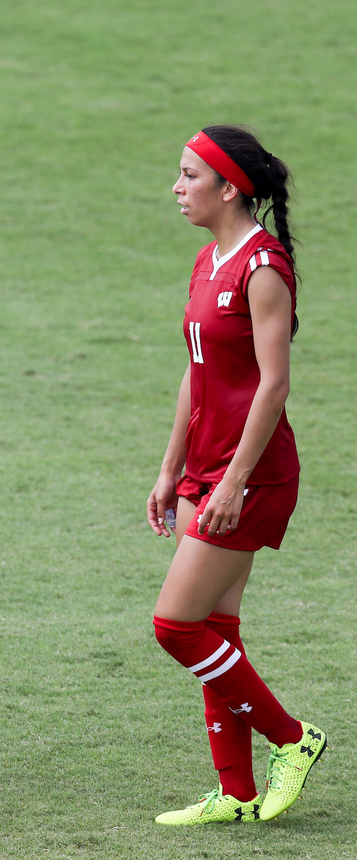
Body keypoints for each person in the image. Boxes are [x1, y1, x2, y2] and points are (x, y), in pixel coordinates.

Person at [147, 125, 326, 824]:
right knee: (216, 626)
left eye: (190, 175)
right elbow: (199, 372)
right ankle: (238, 792)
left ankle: (294, 739)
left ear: (229, 187)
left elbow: (273, 385)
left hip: (251, 475)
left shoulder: (263, 268)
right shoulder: (207, 260)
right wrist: (172, 468)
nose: (177, 187)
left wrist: (231, 481)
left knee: (176, 626)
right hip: (206, 468)